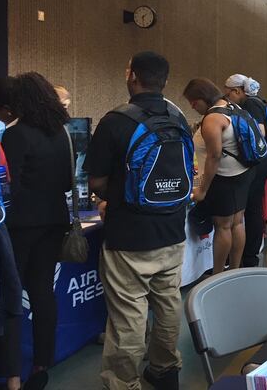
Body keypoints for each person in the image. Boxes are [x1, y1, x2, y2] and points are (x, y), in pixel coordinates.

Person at [84, 51, 190, 389]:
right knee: (168, 302)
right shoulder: (179, 117)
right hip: (173, 230)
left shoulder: (116, 120)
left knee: (128, 317)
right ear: (165, 81)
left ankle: (123, 382)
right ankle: (165, 368)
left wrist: (107, 199)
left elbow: (96, 181)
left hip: (129, 235)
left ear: (132, 76)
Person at [0, 73, 71, 390]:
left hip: (20, 227)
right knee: (42, 293)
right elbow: (67, 180)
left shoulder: (15, 135)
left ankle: (11, 375)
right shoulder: (60, 133)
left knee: (11, 296)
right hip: (54, 222)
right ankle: (42, 364)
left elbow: (9, 187)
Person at [183, 78, 254, 275]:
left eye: (194, 101)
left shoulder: (213, 118)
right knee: (238, 222)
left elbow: (214, 156)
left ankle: (217, 275)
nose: (192, 106)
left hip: (224, 177)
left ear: (203, 98)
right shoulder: (232, 107)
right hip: (243, 172)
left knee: (223, 227)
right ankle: (235, 268)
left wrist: (203, 190)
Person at [224, 73, 267, 267]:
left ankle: (250, 255)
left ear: (237, 91)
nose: (227, 98)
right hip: (262, 161)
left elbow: (260, 131)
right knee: (253, 208)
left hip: (257, 163)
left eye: (228, 94)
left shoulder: (250, 104)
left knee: (251, 209)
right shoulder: (257, 102)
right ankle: (248, 253)